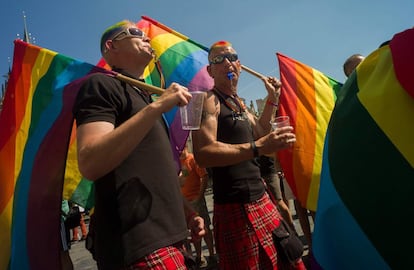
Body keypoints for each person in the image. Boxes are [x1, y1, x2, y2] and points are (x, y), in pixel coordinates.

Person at [72, 20, 205, 269]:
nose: (146, 37)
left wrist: (187, 211)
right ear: (111, 46)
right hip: (140, 245)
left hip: (172, 239)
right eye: (135, 33)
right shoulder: (101, 85)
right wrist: (158, 107)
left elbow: (153, 171)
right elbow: (90, 162)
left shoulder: (145, 99)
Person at [192, 40, 305, 269]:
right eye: (218, 60)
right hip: (234, 205)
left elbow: (261, 131)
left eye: (232, 58)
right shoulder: (207, 100)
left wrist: (272, 97)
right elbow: (203, 154)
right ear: (210, 70)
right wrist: (258, 148)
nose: (227, 63)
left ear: (240, 66)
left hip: (261, 197)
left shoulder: (239, 104)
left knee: (289, 260)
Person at [179, 144, 216, 269]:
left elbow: (204, 177)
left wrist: (199, 197)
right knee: (193, 232)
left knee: (205, 229)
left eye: (182, 147)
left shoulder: (193, 159)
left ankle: (211, 255)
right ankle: (199, 257)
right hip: (185, 203)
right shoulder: (177, 162)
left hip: (196, 200)